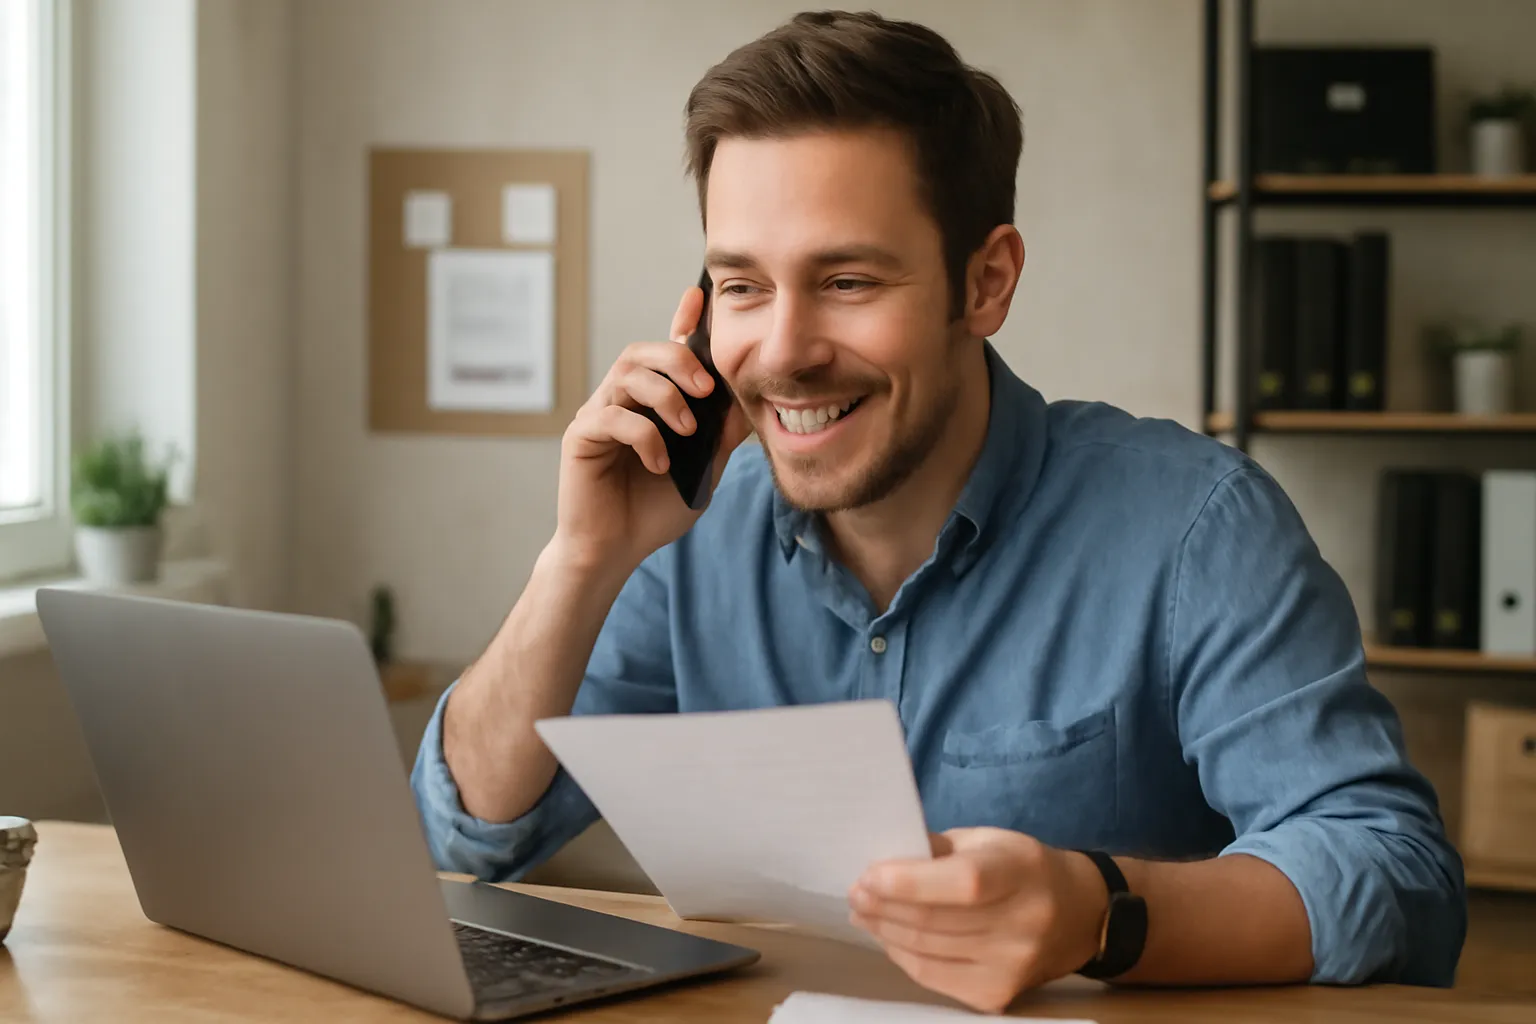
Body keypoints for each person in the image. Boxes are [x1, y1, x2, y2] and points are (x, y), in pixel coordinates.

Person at [412, 10, 1464, 1012]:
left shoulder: (1198, 528)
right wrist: (581, 559)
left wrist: (1101, 911)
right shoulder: (685, 533)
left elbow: (1398, 877)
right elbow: (468, 838)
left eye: (847, 280)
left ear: (987, 282)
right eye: (742, 286)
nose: (783, 352)